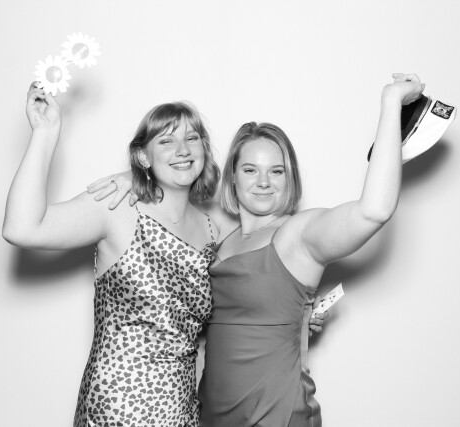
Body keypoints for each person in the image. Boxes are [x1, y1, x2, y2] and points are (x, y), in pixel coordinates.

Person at [89, 73, 424, 426]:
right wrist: (136, 178)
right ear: (232, 176)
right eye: (250, 170)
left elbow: (373, 211)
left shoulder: (298, 235)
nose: (263, 182)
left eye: (276, 171)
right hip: (211, 416)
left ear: (289, 178)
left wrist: (391, 103)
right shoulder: (216, 236)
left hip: (277, 415)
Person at [2, 83, 223, 426]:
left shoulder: (214, 231)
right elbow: (22, 228)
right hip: (116, 406)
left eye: (192, 138)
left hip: (180, 409)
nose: (182, 149)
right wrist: (45, 133)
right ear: (143, 156)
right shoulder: (118, 207)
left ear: (203, 149)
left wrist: (299, 309)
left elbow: (242, 296)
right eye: (166, 141)